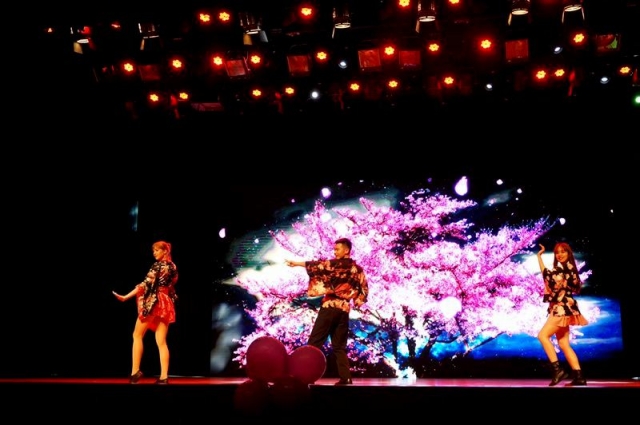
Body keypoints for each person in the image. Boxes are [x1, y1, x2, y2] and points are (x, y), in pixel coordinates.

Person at [286, 237, 369, 385]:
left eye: (337, 249)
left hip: (330, 307)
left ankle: (304, 376)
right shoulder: (358, 270)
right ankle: (346, 378)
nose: (335, 252)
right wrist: (358, 301)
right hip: (344, 309)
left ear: (346, 250)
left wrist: (296, 263)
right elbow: (364, 288)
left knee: (314, 342)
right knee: (339, 347)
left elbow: (316, 266)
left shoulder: (334, 264)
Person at [113, 240, 178, 384]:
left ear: (165, 251)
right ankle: (164, 376)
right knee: (161, 341)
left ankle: (135, 371)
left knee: (137, 335)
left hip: (154, 301)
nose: (154, 253)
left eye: (157, 250)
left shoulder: (157, 266)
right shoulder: (173, 267)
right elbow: (172, 285)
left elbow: (144, 284)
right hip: (166, 302)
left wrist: (125, 297)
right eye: (153, 250)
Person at [536, 242, 588, 386]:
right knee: (564, 343)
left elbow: (548, 278)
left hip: (561, 308)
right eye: (557, 252)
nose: (559, 254)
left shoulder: (563, 269)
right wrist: (539, 257)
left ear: (568, 253)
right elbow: (547, 275)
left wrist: (540, 258)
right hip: (566, 308)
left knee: (542, 336)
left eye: (563, 251)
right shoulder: (569, 269)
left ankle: (557, 370)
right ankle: (579, 376)